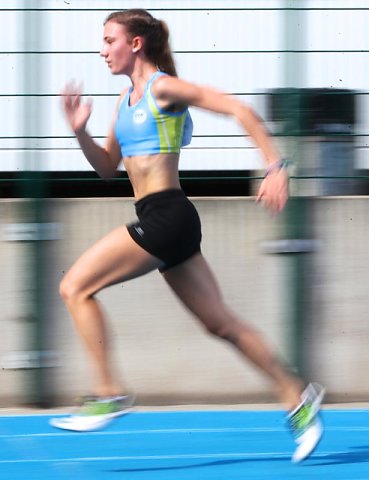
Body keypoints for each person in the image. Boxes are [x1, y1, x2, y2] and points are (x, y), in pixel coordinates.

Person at [49, 9, 324, 463]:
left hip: (167, 216)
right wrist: (79, 133)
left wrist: (276, 167)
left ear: (135, 43)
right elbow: (106, 169)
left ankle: (109, 392)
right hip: (165, 219)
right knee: (221, 324)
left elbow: (239, 109)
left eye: (108, 40)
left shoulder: (164, 88)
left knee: (74, 286)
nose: (102, 51)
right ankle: (297, 396)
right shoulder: (125, 101)